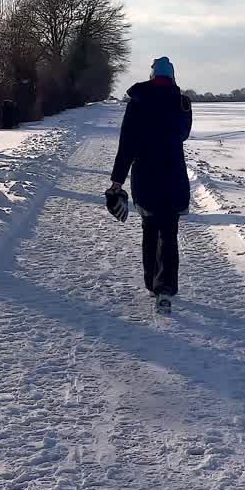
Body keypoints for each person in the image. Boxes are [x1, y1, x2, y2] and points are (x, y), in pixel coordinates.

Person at [110, 56, 192, 309]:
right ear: (173, 77)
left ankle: (151, 284)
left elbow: (127, 144)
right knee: (169, 231)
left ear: (152, 75)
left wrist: (117, 181)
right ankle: (165, 289)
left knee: (150, 228)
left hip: (145, 175)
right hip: (173, 175)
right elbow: (183, 134)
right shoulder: (182, 103)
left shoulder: (138, 101)